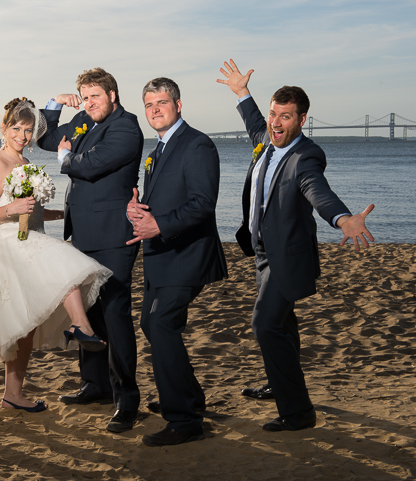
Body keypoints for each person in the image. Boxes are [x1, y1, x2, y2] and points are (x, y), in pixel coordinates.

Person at [217, 59, 375, 431]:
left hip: (286, 256)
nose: (275, 122)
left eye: (285, 117)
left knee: (265, 325)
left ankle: (298, 411)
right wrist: (242, 92)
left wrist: (343, 218)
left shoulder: (306, 157)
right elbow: (254, 122)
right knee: (283, 325)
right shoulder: (266, 141)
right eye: (274, 114)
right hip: (260, 253)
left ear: (301, 120)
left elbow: (317, 191)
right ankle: (278, 382)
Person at [0, 98, 112, 413]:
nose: (22, 136)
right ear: (4, 127)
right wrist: (11, 209)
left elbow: (33, 212)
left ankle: (13, 394)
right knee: (63, 265)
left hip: (28, 235)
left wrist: (64, 212)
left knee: (27, 326)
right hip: (5, 242)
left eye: (28, 130)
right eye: (16, 128)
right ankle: (81, 324)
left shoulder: (24, 164)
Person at [38, 68, 144, 432]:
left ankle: (126, 399)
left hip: (114, 235)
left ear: (113, 95)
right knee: (87, 312)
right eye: (84, 97)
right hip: (81, 233)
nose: (89, 103)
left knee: (114, 314)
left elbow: (91, 165)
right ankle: (93, 385)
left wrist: (65, 160)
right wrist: (54, 103)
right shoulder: (82, 119)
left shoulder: (127, 128)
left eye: (95, 96)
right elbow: (45, 138)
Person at [126, 77, 228, 446]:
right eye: (149, 105)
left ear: (178, 105)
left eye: (162, 103)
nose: (155, 110)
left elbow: (203, 203)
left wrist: (160, 224)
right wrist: (136, 209)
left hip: (188, 254)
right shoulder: (158, 149)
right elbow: (161, 202)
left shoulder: (197, 144)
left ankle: (184, 420)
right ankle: (190, 398)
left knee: (162, 325)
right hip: (160, 256)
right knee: (152, 326)